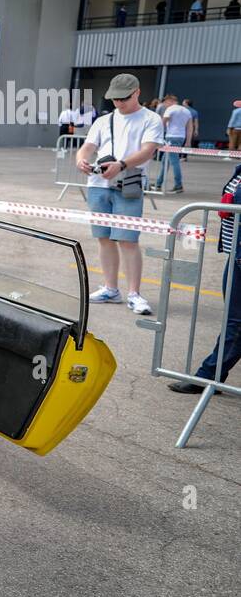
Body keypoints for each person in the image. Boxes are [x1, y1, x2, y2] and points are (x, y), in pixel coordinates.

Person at [77, 73, 163, 316]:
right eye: (114, 99)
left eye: (123, 98)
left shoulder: (151, 119)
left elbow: (148, 151)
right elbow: (88, 146)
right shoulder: (104, 121)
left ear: (137, 92)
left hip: (128, 183)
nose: (118, 103)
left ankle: (134, 293)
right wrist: (81, 159)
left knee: (128, 240)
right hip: (98, 183)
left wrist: (122, 164)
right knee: (104, 238)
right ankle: (110, 288)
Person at [168, 163, 241, 394]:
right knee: (235, 321)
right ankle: (210, 375)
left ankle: (207, 376)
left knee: (236, 322)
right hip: (236, 254)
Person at [154, 94, 190, 193]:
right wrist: (188, 141)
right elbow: (189, 127)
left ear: (169, 101)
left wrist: (157, 136)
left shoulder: (170, 109)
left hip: (171, 137)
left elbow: (162, 123)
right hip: (181, 137)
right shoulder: (186, 111)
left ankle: (178, 185)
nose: (164, 105)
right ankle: (158, 183)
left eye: (165, 102)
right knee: (165, 161)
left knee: (174, 162)